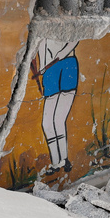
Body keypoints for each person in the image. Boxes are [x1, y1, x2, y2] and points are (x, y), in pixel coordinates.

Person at [34, 39, 78, 175]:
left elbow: (75, 38)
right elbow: (39, 44)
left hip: (66, 64)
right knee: (47, 124)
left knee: (58, 120)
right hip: (49, 70)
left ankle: (63, 159)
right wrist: (42, 66)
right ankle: (56, 161)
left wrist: (62, 54)